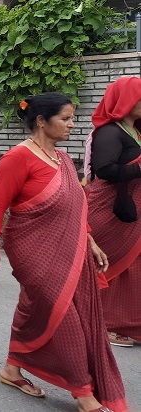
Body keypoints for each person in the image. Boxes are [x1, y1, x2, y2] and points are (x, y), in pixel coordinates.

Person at [0, 92, 127, 412]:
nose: (72, 124)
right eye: (65, 118)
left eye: (72, 118)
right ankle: (83, 391)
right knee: (64, 313)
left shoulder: (61, 158)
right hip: (30, 246)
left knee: (35, 307)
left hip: (70, 244)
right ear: (41, 121)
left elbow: (75, 205)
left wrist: (90, 241)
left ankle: (11, 368)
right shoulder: (18, 157)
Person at [84, 76, 141, 348]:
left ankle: (127, 322)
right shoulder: (109, 132)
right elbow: (104, 169)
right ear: (126, 101)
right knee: (110, 264)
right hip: (109, 210)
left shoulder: (135, 130)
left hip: (130, 209)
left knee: (132, 266)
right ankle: (104, 324)